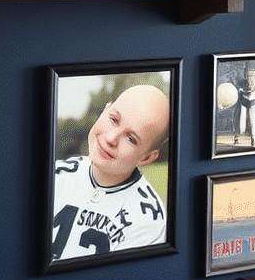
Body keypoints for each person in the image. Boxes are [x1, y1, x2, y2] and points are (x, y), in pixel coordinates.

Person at [51, 84, 170, 261]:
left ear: (146, 158)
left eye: (131, 139)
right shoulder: (57, 174)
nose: (111, 138)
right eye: (114, 119)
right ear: (105, 110)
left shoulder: (146, 217)